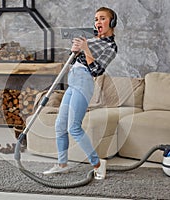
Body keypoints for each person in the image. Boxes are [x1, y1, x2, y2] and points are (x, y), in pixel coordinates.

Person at [43, 7, 118, 180]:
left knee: (73, 127)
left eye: (102, 18)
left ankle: (98, 164)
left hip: (85, 81)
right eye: (96, 19)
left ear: (112, 22)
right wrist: (75, 49)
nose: (98, 22)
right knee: (60, 125)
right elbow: (75, 59)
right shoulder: (91, 39)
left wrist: (85, 49)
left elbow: (96, 70)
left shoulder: (111, 46)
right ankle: (62, 165)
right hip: (73, 79)